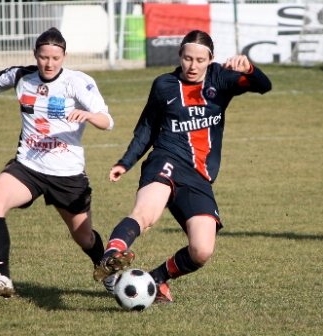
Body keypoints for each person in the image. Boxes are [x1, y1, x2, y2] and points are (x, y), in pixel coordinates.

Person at [0, 27, 113, 298]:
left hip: (67, 173)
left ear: (65, 56)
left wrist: (88, 115)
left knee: (84, 238)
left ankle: (105, 268)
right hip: (28, 166)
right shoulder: (22, 76)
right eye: (44, 57)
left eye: (55, 58)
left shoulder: (78, 82)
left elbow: (107, 121)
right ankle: (2, 276)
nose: (49, 63)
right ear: (35, 54)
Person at [92, 30, 272, 304]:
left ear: (210, 59)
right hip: (164, 159)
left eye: (200, 60)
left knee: (201, 250)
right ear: (179, 56)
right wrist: (125, 163)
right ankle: (110, 258)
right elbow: (147, 129)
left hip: (199, 175)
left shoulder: (221, 79)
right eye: (187, 58)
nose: (193, 65)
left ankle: (156, 279)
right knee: (146, 214)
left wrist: (249, 68)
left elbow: (264, 85)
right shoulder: (164, 84)